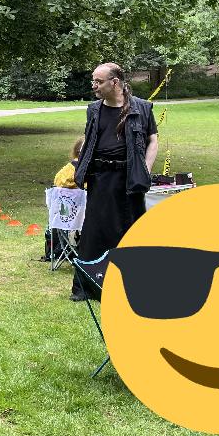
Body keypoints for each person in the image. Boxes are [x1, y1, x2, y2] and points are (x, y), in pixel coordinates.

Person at [72, 63, 159, 301]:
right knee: (95, 230)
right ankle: (86, 287)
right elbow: (89, 139)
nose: (94, 86)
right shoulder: (94, 109)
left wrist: (145, 169)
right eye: (93, 81)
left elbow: (152, 140)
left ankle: (133, 285)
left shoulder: (142, 108)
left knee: (131, 230)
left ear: (115, 82)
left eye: (98, 81)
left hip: (130, 179)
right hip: (100, 178)